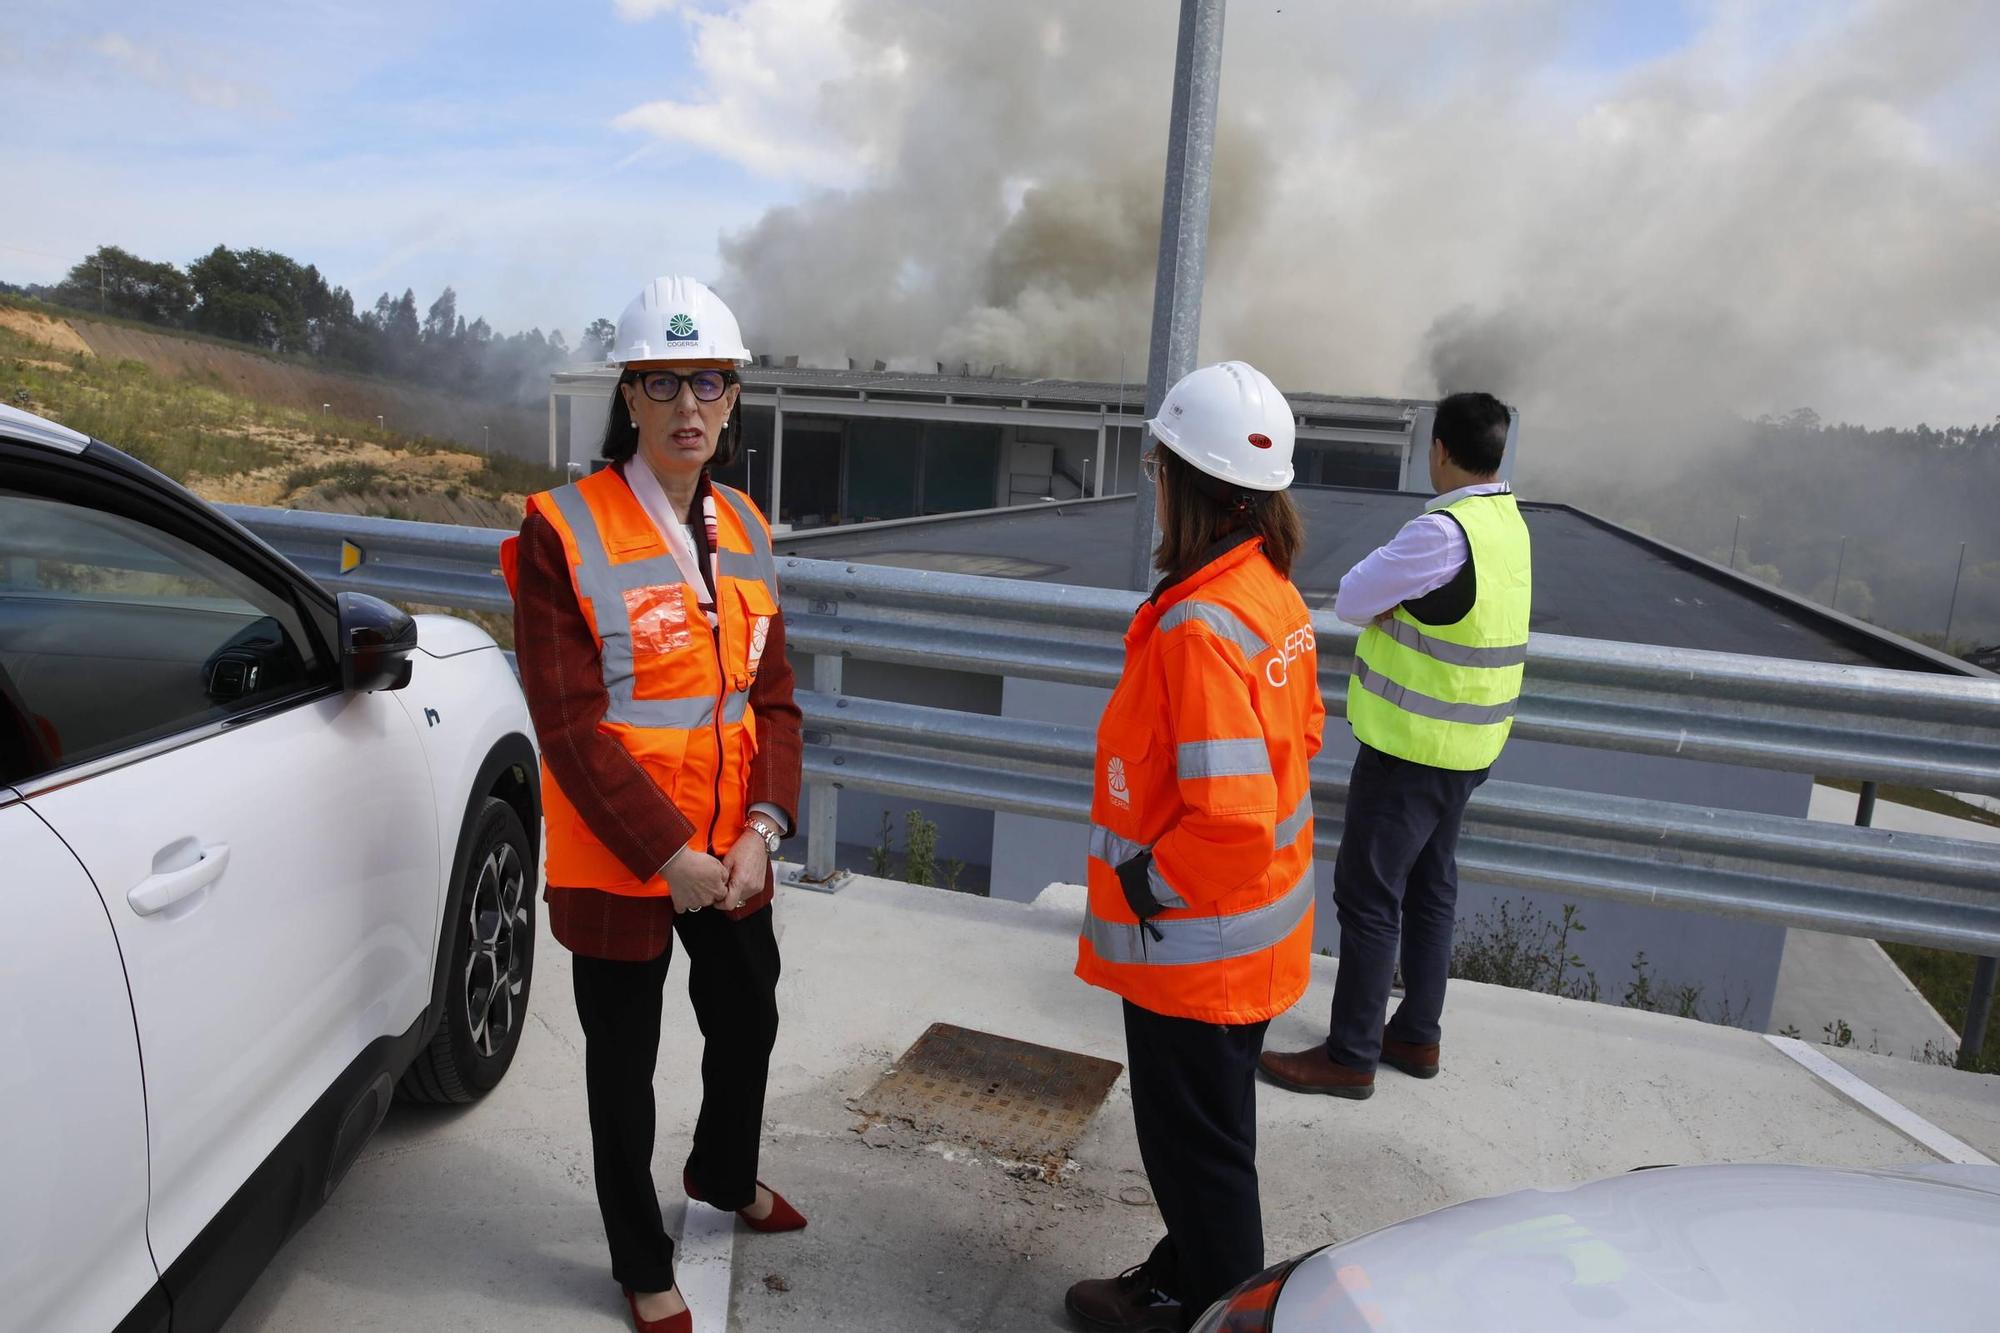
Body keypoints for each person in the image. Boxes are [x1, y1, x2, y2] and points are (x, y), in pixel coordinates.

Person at [502, 276, 806, 1333]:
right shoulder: (562, 531)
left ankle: (723, 1175)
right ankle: (642, 1258)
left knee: (748, 1020)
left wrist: (763, 831)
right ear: (627, 395)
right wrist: (666, 851)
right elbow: (569, 722)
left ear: (731, 399)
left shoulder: (750, 529)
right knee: (621, 1072)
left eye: (708, 382)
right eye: (662, 380)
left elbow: (770, 699)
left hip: (732, 852)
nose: (688, 403)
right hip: (622, 858)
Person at [1065, 362, 1325, 1332]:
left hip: (1195, 951)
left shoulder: (1197, 627)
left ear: (1180, 481)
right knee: (1205, 1140)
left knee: (1201, 1158)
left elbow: (1230, 819)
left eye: (1156, 467)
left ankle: (1217, 1305)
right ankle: (1179, 1275)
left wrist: (1142, 888)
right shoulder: (1266, 594)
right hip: (1250, 942)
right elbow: (1298, 745)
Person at [1260, 391, 1531, 1100]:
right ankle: (1415, 1032)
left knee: (1369, 891)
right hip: (1471, 747)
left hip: (1412, 748)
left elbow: (1351, 597)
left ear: (1439, 450)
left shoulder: (1441, 532)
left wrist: (1392, 602)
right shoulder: (1508, 524)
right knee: (1432, 887)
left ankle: (1350, 1054)